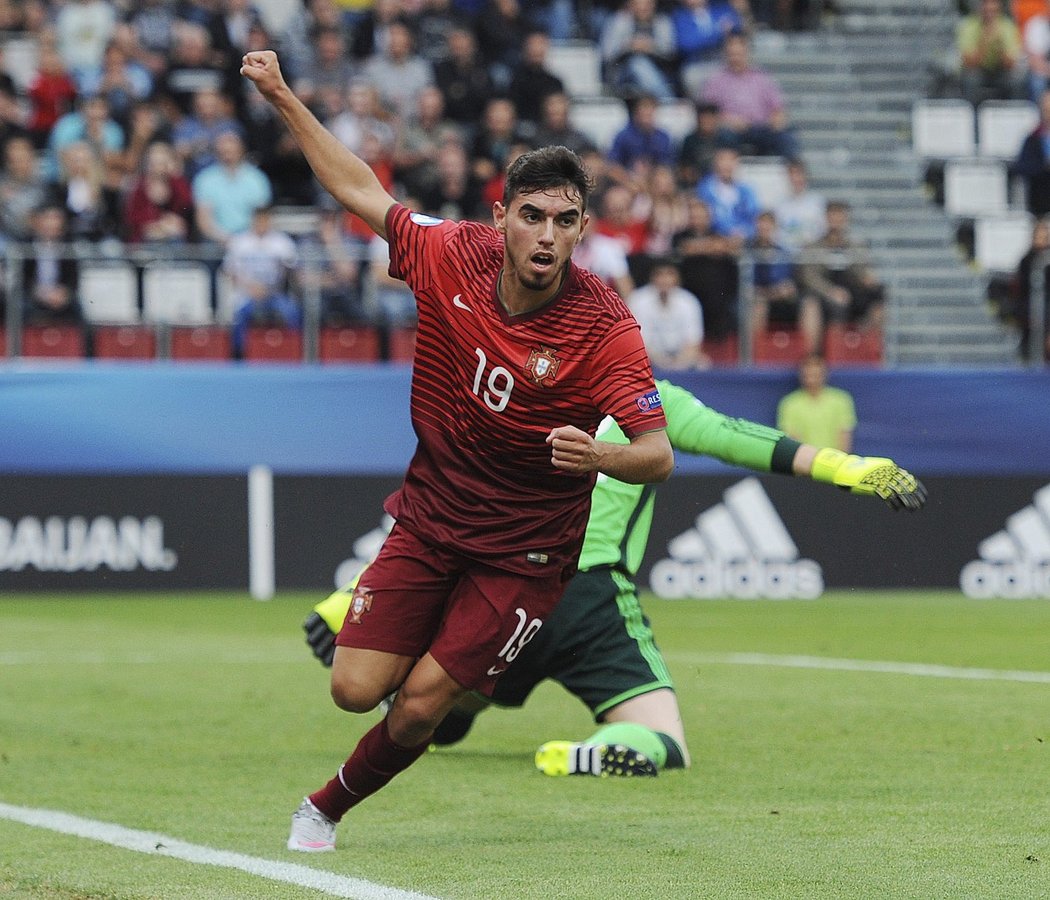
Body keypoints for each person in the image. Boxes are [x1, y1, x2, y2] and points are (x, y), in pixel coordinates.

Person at [241, 48, 674, 852]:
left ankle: (324, 808)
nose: (548, 236)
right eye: (533, 216)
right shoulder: (450, 255)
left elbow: (657, 453)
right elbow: (359, 190)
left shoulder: (604, 327)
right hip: (433, 520)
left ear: (583, 229)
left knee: (418, 705)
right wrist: (279, 94)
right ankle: (434, 652)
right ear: (502, 216)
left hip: (527, 554)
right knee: (353, 687)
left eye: (565, 221)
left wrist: (601, 458)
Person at [303, 379, 927, 777]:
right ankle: (595, 752)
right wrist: (848, 465)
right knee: (664, 738)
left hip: (504, 591)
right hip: (589, 598)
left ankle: (440, 699)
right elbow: (742, 441)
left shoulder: (512, 392)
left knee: (435, 706)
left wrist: (352, 597)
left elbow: (444, 512)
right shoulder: (652, 400)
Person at [796, 200, 886, 354]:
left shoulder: (856, 246)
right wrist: (830, 291)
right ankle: (824, 355)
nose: (836, 221)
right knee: (819, 304)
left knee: (879, 296)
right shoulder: (813, 246)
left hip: (851, 289)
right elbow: (809, 277)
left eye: (840, 216)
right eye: (832, 216)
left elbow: (863, 270)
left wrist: (867, 278)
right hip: (824, 292)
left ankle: (869, 350)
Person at [698, 32, 798, 159]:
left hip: (761, 128)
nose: (736, 58)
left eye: (739, 54)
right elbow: (707, 115)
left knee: (786, 136)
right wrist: (727, 121)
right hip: (731, 130)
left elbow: (778, 108)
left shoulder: (762, 77)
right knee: (725, 136)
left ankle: (792, 174)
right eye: (732, 54)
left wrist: (776, 120)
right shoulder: (716, 81)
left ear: (747, 52)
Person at [223, 204, 302, 357]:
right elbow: (230, 271)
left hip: (274, 293)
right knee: (238, 315)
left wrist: (270, 288)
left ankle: (293, 353)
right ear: (253, 221)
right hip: (247, 293)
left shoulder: (281, 242)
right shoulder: (240, 241)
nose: (262, 224)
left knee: (292, 312)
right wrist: (250, 288)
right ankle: (239, 355)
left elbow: (291, 269)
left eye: (265, 221)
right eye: (259, 221)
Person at [627, 257, 710, 370]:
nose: (664, 279)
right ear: (652, 277)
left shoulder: (689, 301)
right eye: (660, 275)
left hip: (681, 359)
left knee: (704, 363)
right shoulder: (638, 300)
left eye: (669, 274)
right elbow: (640, 343)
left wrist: (677, 365)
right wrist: (663, 363)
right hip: (648, 359)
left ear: (677, 278)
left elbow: (693, 342)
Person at [776, 352, 856, 451]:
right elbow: (791, 441)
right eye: (808, 375)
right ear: (802, 375)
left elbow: (844, 438)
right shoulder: (789, 403)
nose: (812, 380)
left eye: (816, 375)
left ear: (824, 374)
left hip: (834, 462)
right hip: (802, 462)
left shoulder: (841, 400)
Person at [956, 0, 1025, 106]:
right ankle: (973, 118)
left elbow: (1011, 64)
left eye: (993, 11)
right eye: (987, 10)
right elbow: (968, 63)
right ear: (981, 8)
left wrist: (999, 45)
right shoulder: (969, 26)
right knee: (971, 79)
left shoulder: (1007, 27)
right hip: (978, 70)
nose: (990, 15)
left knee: (1016, 81)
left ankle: (1010, 116)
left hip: (1001, 71)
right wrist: (984, 42)